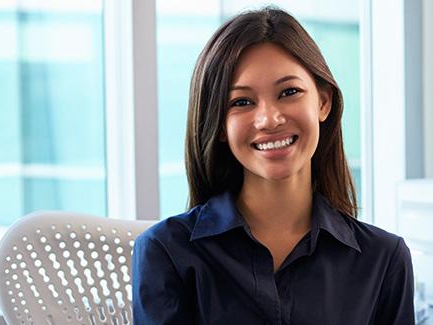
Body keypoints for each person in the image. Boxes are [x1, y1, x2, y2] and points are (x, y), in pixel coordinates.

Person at [132, 7, 415, 325]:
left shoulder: (384, 259)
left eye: (289, 92)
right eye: (241, 102)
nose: (269, 119)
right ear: (218, 125)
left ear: (323, 102)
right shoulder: (166, 253)